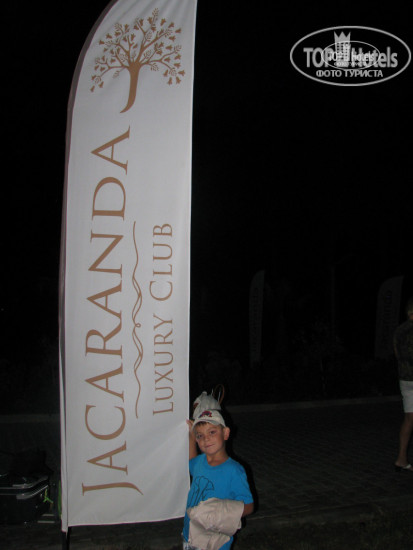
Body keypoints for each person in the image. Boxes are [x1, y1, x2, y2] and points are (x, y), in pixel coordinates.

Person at [182, 409, 254, 550]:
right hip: (190, 535)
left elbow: (249, 506)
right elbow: (191, 461)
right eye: (200, 435)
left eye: (212, 432)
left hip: (214, 541)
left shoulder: (234, 470)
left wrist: (221, 511)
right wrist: (190, 436)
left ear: (225, 433)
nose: (206, 439)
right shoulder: (199, 462)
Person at [393, 296, 413, 472]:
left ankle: (401, 458)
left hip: (405, 379)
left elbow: (398, 355)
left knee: (409, 419)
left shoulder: (399, 330)